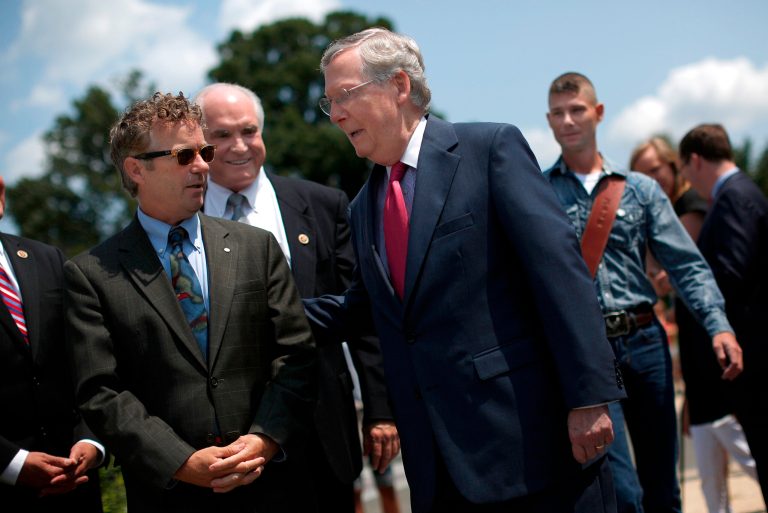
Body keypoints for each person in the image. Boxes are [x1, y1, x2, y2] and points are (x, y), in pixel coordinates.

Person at [305, 28, 626, 513]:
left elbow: (559, 272)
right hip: (438, 466)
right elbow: (368, 307)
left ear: (398, 86)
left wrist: (589, 397)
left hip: (531, 446)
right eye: (329, 103)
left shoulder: (489, 149)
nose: (337, 115)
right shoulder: (363, 206)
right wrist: (256, 309)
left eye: (344, 95)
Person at [64, 92, 317, 513]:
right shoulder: (92, 274)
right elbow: (101, 391)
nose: (202, 165)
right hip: (170, 496)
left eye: (204, 151)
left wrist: (264, 439)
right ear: (135, 169)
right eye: (184, 155)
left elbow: (298, 355)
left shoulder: (258, 247)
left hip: (272, 484)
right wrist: (179, 461)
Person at [542, 72, 743, 513]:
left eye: (577, 110)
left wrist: (719, 326)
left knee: (662, 488)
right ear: (549, 121)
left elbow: (687, 265)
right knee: (621, 492)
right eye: (558, 113)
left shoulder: (640, 188)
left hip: (645, 341)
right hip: (587, 351)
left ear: (598, 113)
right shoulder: (537, 193)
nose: (568, 120)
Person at [194, 82, 399, 513]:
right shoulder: (180, 217)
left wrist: (381, 409)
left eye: (249, 131)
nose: (239, 146)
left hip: (322, 431)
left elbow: (361, 310)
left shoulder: (323, 205)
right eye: (222, 135)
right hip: (230, 439)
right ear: (200, 144)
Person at [631, 137, 757, 513]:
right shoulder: (664, 209)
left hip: (712, 338)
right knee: (708, 455)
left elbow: (688, 270)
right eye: (642, 174)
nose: (651, 179)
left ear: (674, 166)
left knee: (731, 438)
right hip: (695, 340)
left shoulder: (689, 207)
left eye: (655, 170)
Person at [0, 176, 104, 512]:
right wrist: (13, 464)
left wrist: (91, 440)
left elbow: (88, 361)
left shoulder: (47, 259)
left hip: (78, 483)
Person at [679, 123, 768, 508]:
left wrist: (691, 286)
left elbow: (731, 273)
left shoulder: (732, 197)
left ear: (695, 160)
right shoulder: (741, 192)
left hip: (754, 352)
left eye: (684, 170)